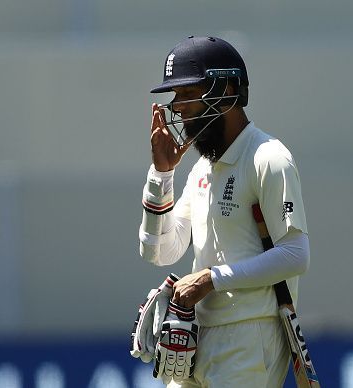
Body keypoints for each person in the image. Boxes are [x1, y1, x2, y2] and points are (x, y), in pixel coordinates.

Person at [138, 36, 310, 388]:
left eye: (188, 94)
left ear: (226, 89)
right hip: (197, 335)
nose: (179, 108)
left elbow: (295, 256)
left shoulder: (268, 158)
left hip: (250, 337)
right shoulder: (203, 168)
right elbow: (159, 251)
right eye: (176, 97)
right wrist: (162, 174)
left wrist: (209, 278)